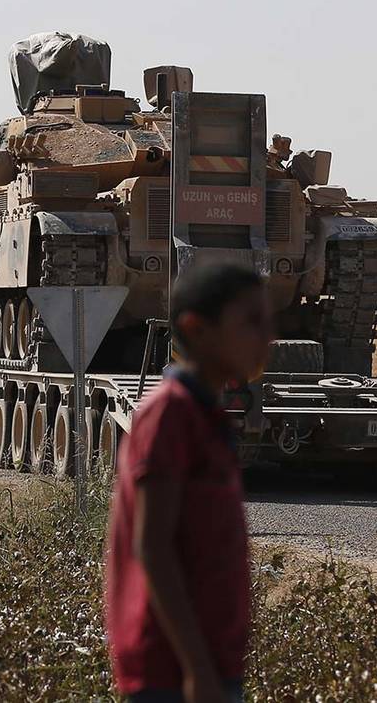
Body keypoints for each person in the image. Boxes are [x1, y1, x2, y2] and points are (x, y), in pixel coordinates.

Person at [105, 262, 273, 703]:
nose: (267, 337)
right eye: (251, 322)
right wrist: (197, 669)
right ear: (196, 329)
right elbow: (153, 546)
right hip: (172, 673)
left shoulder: (204, 414)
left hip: (205, 666)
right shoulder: (170, 415)